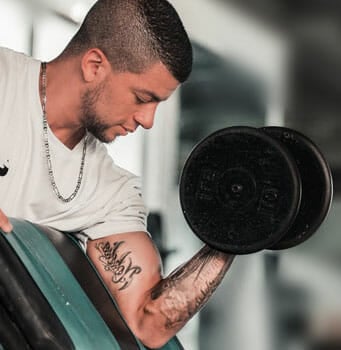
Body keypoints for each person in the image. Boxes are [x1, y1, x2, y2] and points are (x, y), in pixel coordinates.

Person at [0, 0, 234, 348]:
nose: (148, 120)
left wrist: (233, 237)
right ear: (95, 65)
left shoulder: (111, 194)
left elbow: (149, 323)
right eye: (142, 97)